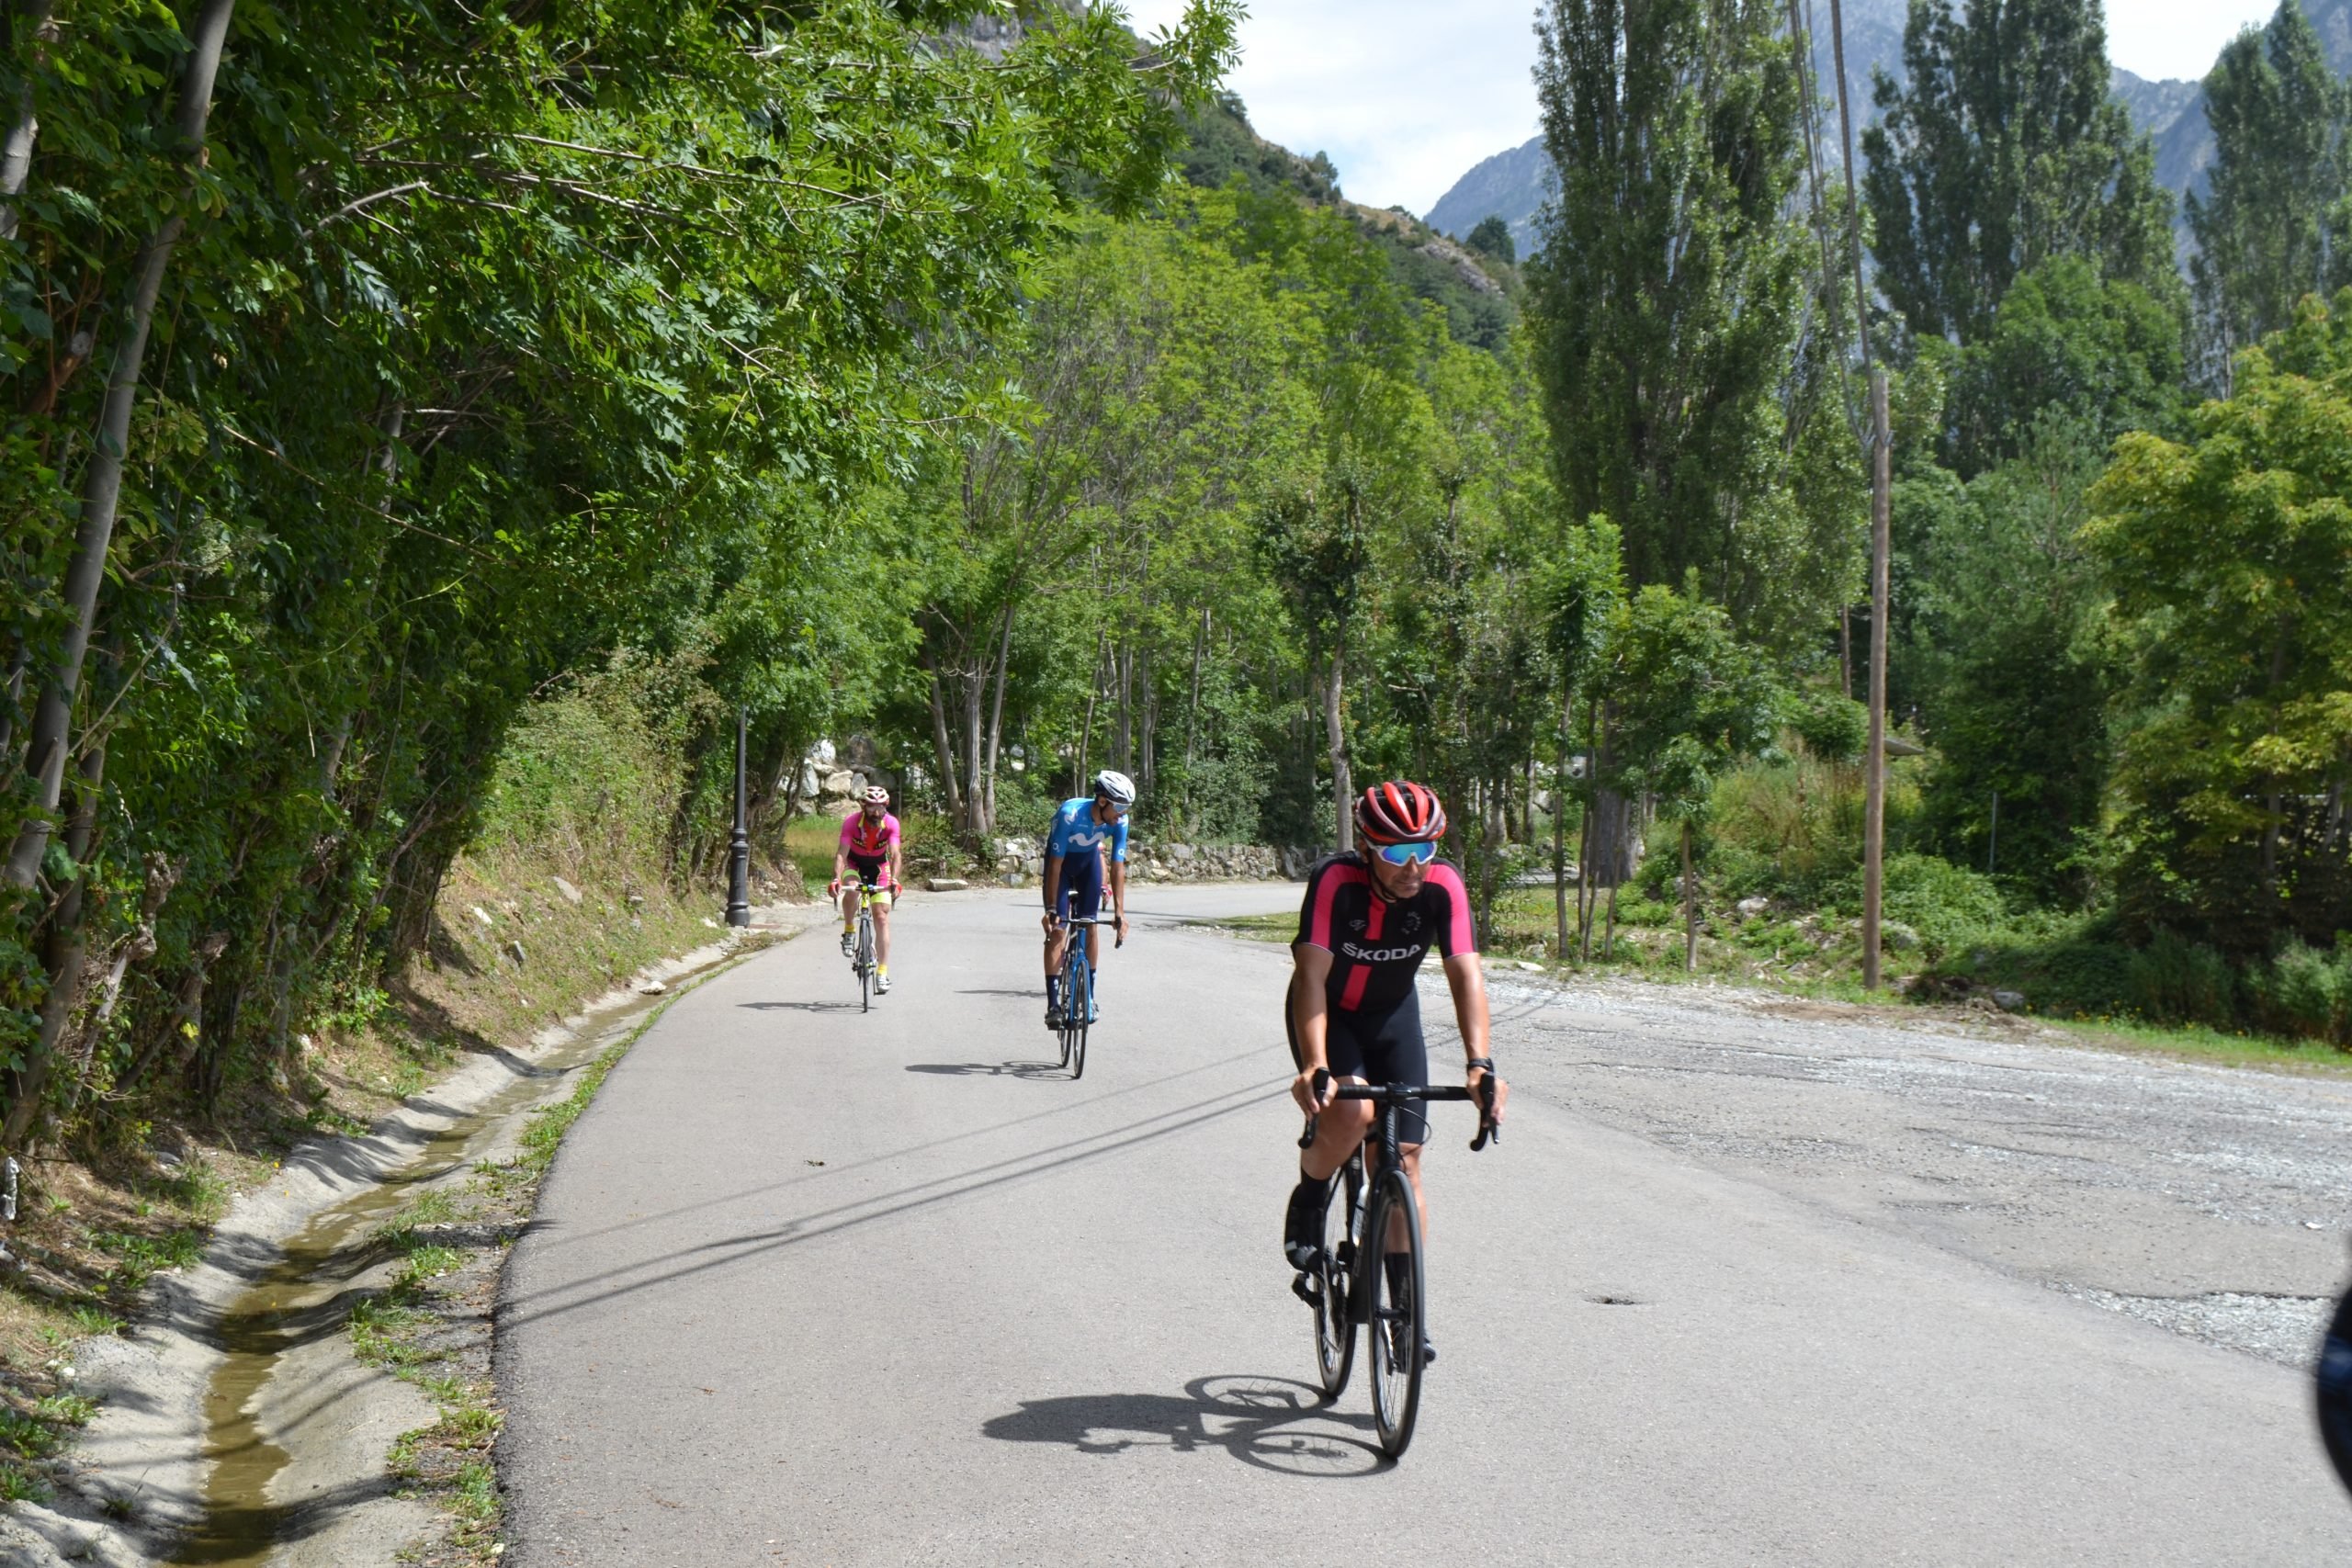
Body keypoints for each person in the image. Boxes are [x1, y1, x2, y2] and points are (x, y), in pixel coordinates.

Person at [1282, 780, 1508, 1366]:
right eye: (1396, 854)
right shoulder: (1336, 881)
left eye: (1424, 851)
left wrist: (1480, 1063)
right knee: (1353, 1109)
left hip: (1392, 1018)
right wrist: (1314, 1065)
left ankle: (1407, 1314)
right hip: (1330, 1014)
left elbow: (1466, 974)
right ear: (1366, 848)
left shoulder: (1443, 886)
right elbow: (1310, 978)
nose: (1413, 868)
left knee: (1405, 1157)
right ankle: (1309, 1196)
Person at [1041, 770, 1136, 1029]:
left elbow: (1117, 866)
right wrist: (1051, 908)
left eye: (1127, 808)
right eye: (1120, 807)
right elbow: (1055, 865)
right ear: (1102, 801)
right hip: (1060, 867)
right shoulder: (1069, 814)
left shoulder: (1119, 822)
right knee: (1058, 930)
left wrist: (1119, 913)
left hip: (1088, 866)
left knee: (1090, 924)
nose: (1123, 814)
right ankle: (1053, 1005)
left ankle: (1089, 997)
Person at [831, 785, 903, 994]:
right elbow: (841, 854)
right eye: (872, 807)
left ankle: (882, 973)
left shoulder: (891, 823)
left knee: (881, 917)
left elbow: (896, 854)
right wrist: (836, 879)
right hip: (854, 864)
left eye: (880, 807)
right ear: (864, 805)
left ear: (886, 806)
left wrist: (895, 880)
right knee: (852, 889)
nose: (876, 812)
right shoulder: (851, 823)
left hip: (880, 867)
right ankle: (850, 930)